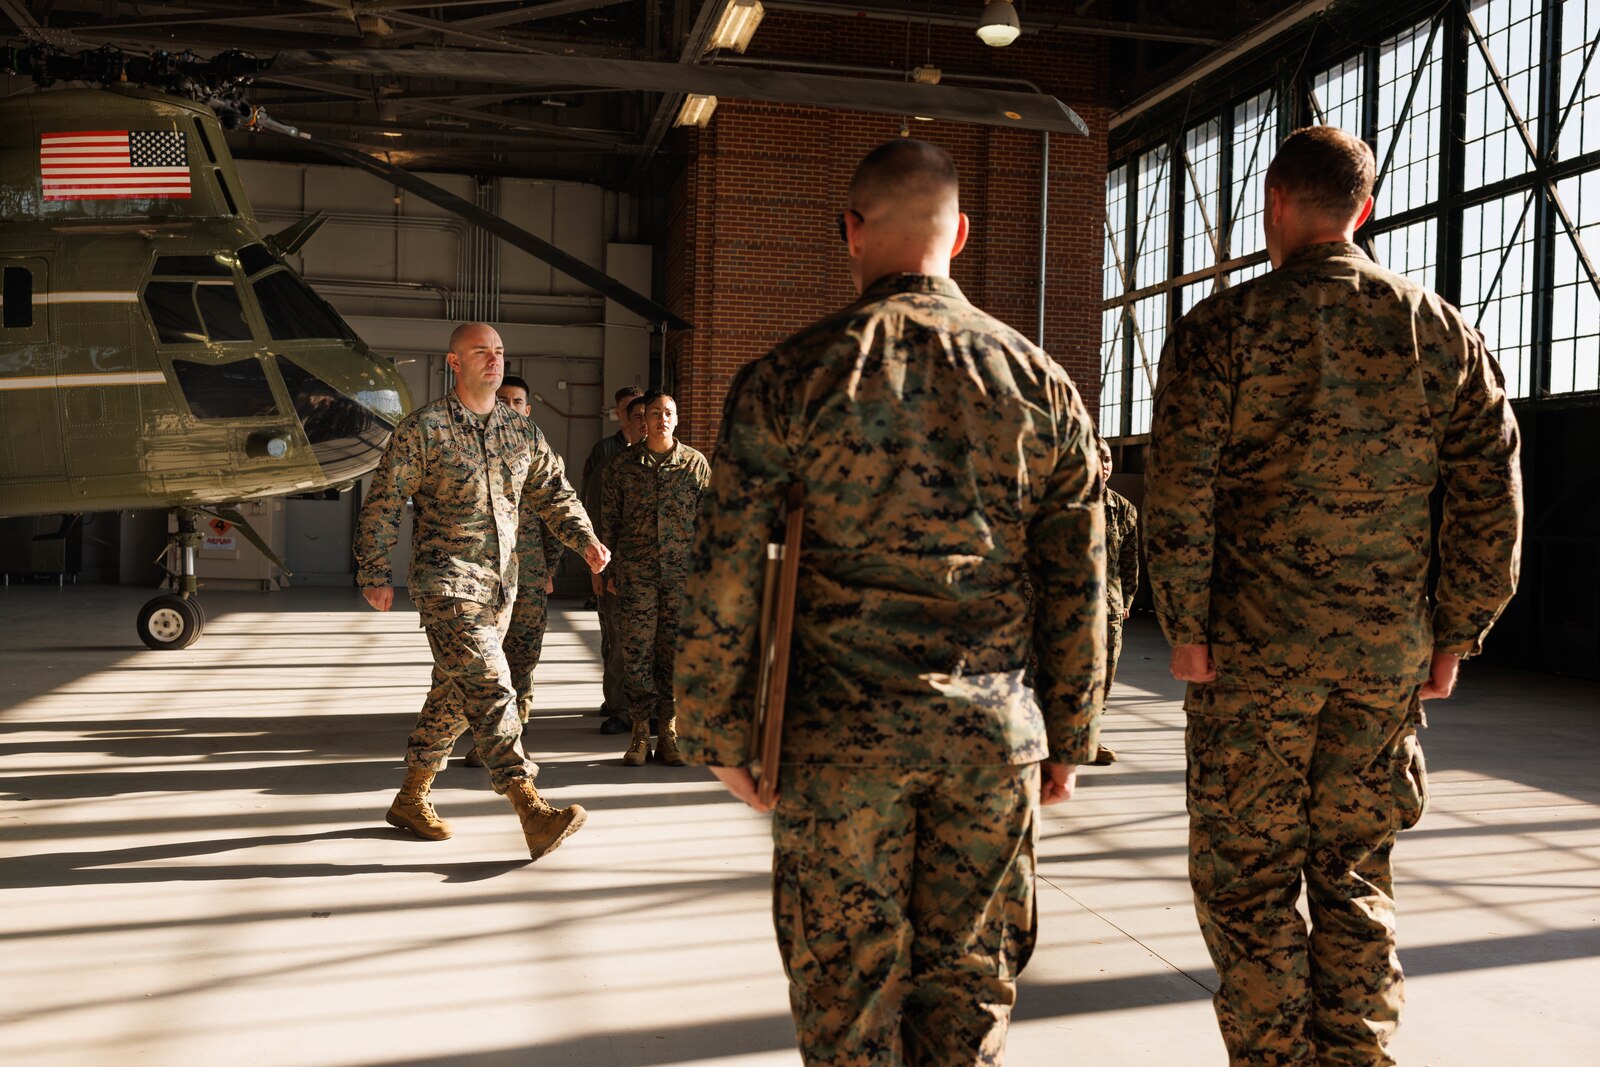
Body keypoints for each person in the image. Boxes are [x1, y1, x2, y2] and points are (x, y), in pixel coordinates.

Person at [675, 139, 1106, 1066]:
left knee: (847, 996)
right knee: (969, 992)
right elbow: (1082, 578)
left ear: (850, 230)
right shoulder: (1039, 381)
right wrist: (1070, 733)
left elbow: (726, 569)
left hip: (837, 744)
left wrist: (716, 732)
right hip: (989, 740)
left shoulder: (791, 376)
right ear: (962, 233)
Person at [1143, 126, 1522, 1066]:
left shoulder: (1221, 329)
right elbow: (1491, 495)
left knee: (1248, 880)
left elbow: (1179, 488)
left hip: (1250, 660)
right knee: (1354, 869)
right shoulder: (1440, 332)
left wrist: (1185, 625)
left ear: (1274, 203)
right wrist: (1456, 633)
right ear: (1365, 207)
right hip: (1382, 662)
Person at [354, 323, 611, 860]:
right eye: (481, 351)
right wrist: (374, 571)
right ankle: (531, 808)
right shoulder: (424, 428)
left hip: (501, 587)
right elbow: (384, 500)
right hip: (445, 581)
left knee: (454, 694)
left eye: (499, 352)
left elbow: (554, 491)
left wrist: (584, 538)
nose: (494, 360)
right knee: (493, 684)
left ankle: (410, 798)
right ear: (454, 362)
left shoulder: (521, 431)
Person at [458, 375, 568, 767]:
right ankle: (484, 737)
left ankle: (513, 736)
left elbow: (557, 518)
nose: (509, 406)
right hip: (481, 575)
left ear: (527, 409)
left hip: (529, 575)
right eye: (502, 399)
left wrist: (549, 569)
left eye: (516, 401)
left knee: (522, 656)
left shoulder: (543, 457)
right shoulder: (469, 449)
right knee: (483, 659)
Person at [600, 391, 709, 767]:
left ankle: (669, 733)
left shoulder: (694, 464)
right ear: (643, 420)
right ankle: (639, 734)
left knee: (674, 655)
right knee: (636, 654)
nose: (662, 418)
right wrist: (608, 572)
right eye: (655, 413)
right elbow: (610, 521)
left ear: (676, 420)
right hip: (636, 575)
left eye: (668, 413)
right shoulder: (621, 465)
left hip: (682, 577)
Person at [582, 386, 645, 736]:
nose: (646, 423)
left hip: (661, 574)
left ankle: (654, 711)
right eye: (638, 417)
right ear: (627, 422)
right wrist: (597, 570)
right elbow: (593, 519)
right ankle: (620, 709)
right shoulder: (610, 466)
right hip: (617, 572)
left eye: (653, 415)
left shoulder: (681, 465)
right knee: (617, 642)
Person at [1091, 437, 1139, 766]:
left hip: (1108, 610)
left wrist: (1126, 601)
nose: (1103, 465)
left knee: (1104, 678)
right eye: (1095, 457)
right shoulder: (1056, 505)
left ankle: (1088, 740)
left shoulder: (1124, 509)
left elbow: (1129, 562)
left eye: (1107, 459)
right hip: (1065, 611)